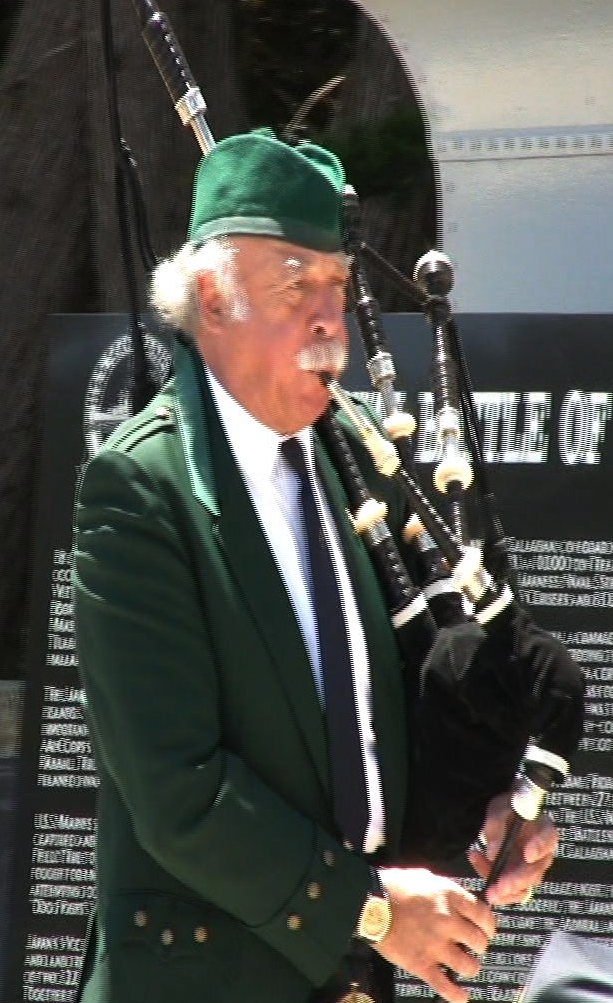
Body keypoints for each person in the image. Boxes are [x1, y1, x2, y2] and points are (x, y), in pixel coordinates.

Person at [73, 130, 560, 1003]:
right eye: (296, 285)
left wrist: (490, 803)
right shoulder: (143, 489)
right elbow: (177, 791)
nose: (331, 318)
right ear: (212, 298)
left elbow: (394, 702)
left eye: (338, 284)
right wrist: (369, 909)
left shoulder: (355, 457)